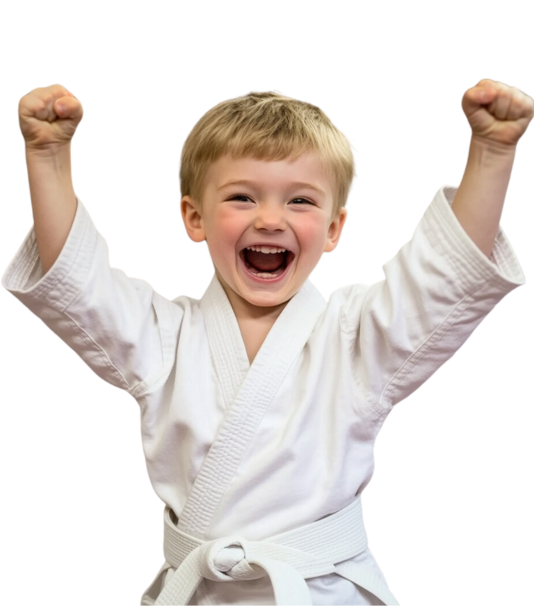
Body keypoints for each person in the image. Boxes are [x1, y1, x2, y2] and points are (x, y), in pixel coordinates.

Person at [2, 81, 531, 606]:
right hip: (201, 593)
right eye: (241, 197)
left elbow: (441, 279)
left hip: (322, 592)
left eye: (300, 200)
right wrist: (48, 156)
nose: (270, 219)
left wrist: (491, 151)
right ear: (194, 217)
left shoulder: (354, 338)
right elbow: (80, 283)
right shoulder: (163, 337)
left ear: (333, 228)